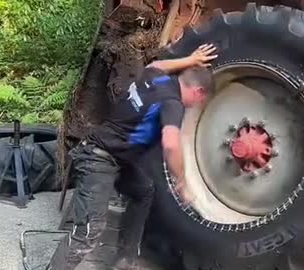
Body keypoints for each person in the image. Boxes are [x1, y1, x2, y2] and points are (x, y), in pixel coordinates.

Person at [48, 44, 218, 270]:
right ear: (198, 92)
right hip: (98, 158)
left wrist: (191, 59)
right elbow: (171, 144)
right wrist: (182, 181)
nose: (197, 106)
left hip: (120, 159)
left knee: (144, 191)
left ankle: (125, 260)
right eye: (201, 102)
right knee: (89, 231)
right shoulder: (172, 104)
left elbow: (156, 64)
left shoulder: (156, 78)